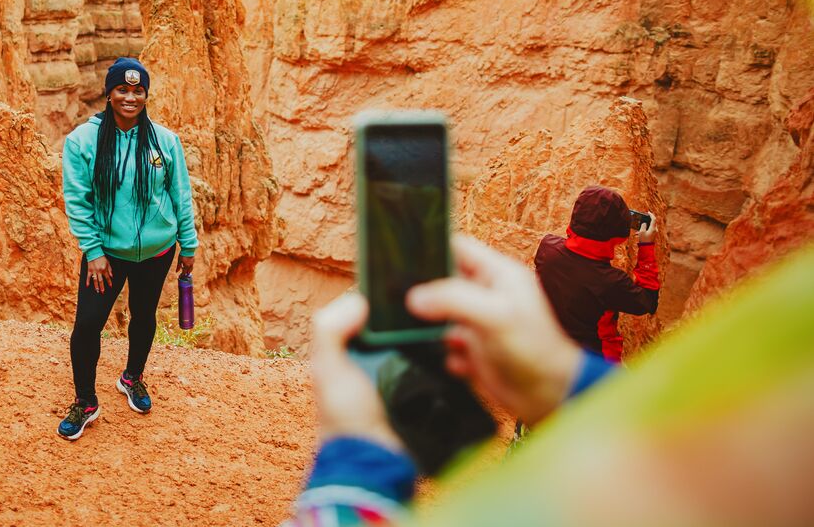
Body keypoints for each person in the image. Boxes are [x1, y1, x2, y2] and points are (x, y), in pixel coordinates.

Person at [287, 237, 814, 526]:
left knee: (525, 438)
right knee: (572, 455)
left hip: (550, 365)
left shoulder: (549, 251)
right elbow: (647, 300)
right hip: (590, 358)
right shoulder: (609, 279)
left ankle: (521, 461)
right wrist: (359, 466)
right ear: (613, 238)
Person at [287, 235, 611, 525]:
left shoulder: (552, 250)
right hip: (580, 359)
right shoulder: (605, 279)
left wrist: (359, 461)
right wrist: (563, 374)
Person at [56, 57, 198, 440]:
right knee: (87, 325)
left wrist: (188, 243)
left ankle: (132, 377)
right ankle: (85, 401)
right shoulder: (82, 141)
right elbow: (77, 199)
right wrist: (93, 251)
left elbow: (180, 195)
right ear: (110, 93)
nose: (130, 97)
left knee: (144, 315)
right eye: (123, 89)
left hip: (157, 251)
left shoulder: (164, 141)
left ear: (146, 95)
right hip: (107, 255)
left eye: (138, 91)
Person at [534, 185, 659, 363]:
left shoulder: (547, 249)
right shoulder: (611, 282)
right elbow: (648, 301)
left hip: (547, 349)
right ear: (617, 235)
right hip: (593, 364)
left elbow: (576, 249)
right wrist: (646, 246)